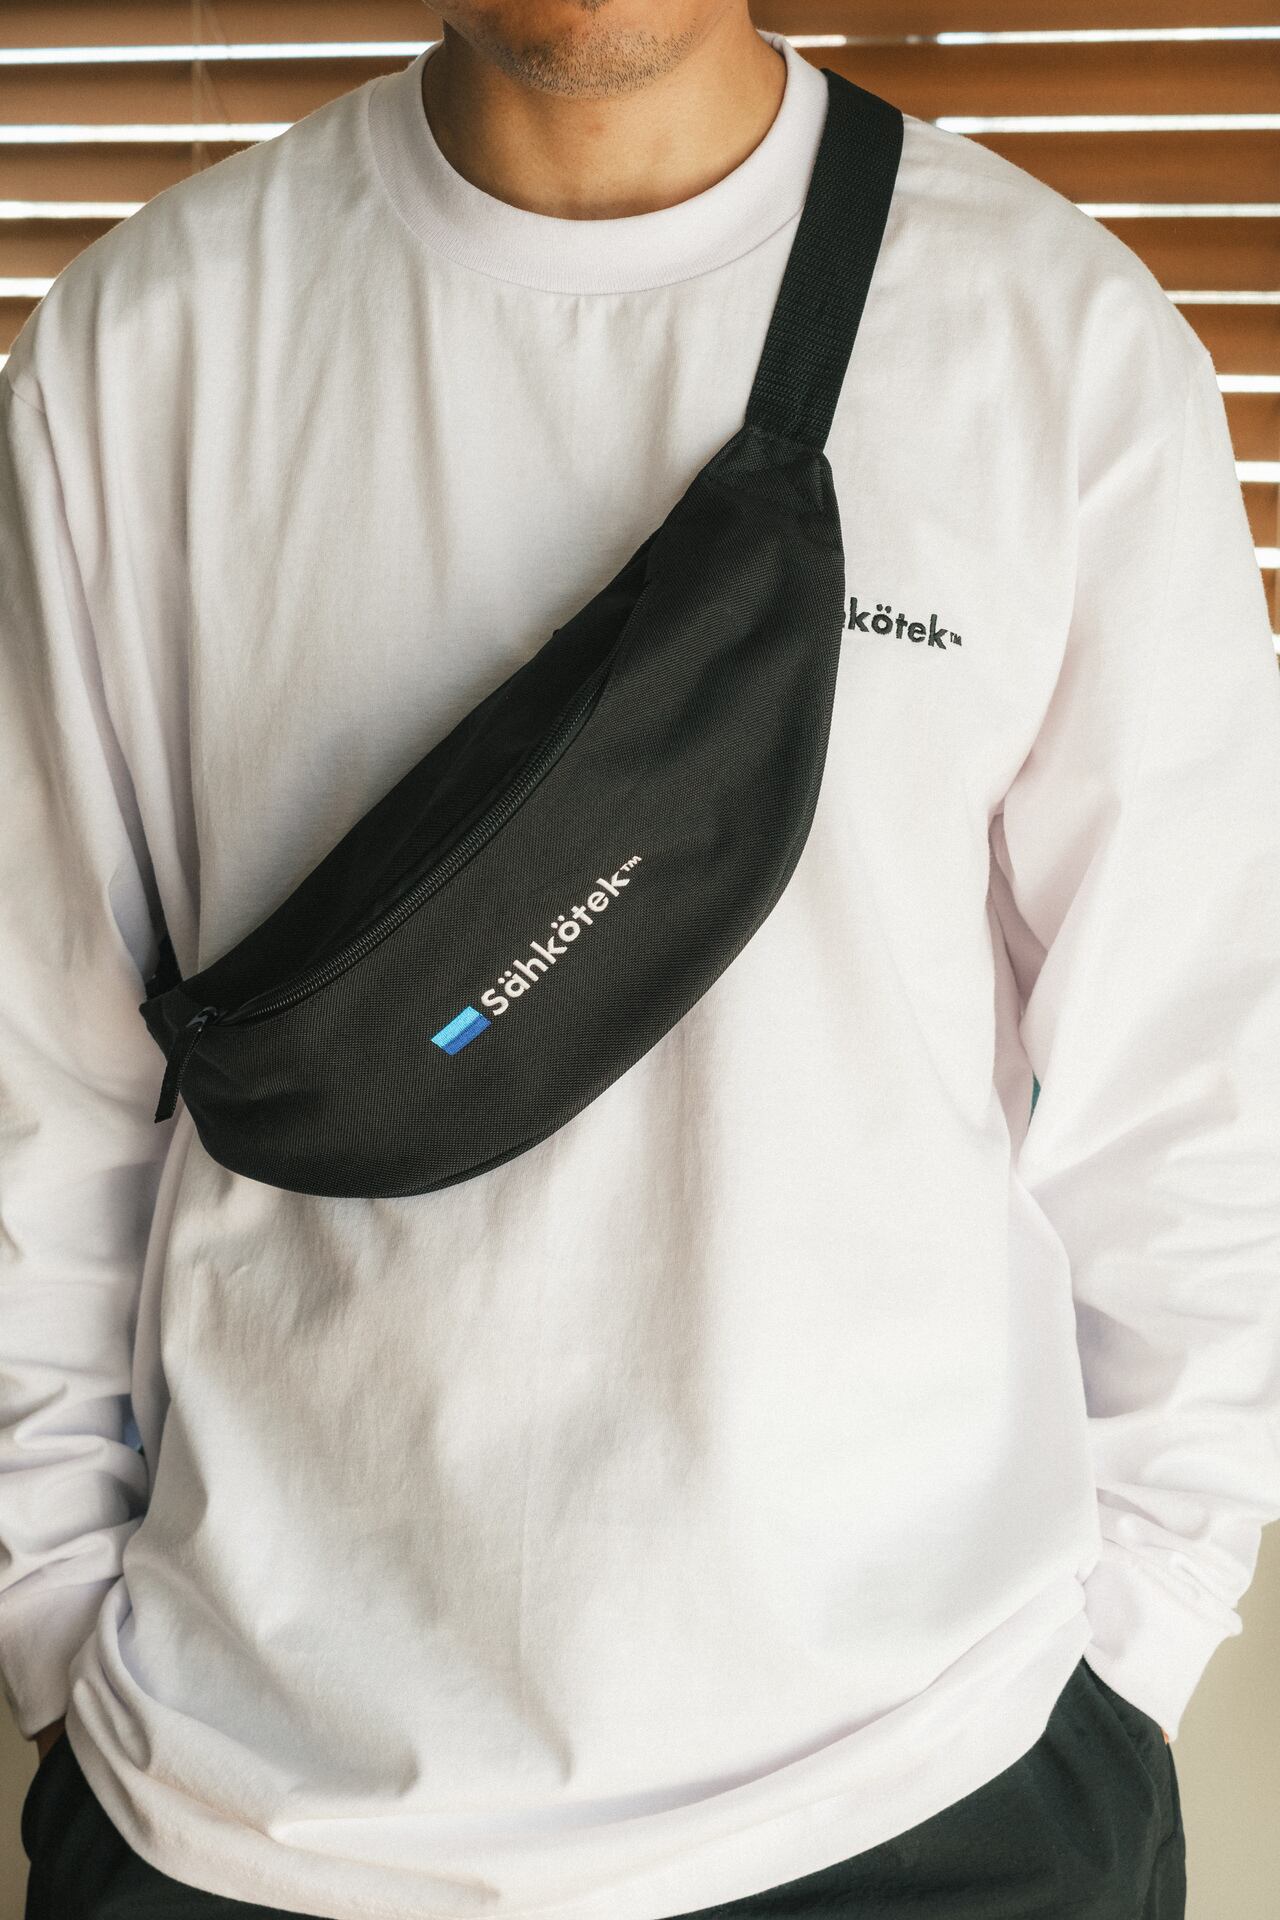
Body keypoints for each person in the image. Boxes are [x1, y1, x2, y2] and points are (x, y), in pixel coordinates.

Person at [3, 4, 1278, 1916]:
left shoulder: (1055, 347)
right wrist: (52, 1623)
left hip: (934, 1791)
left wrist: (1135, 1647)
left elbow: (1200, 1093)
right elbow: (36, 1073)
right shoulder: (142, 354)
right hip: (254, 1812)